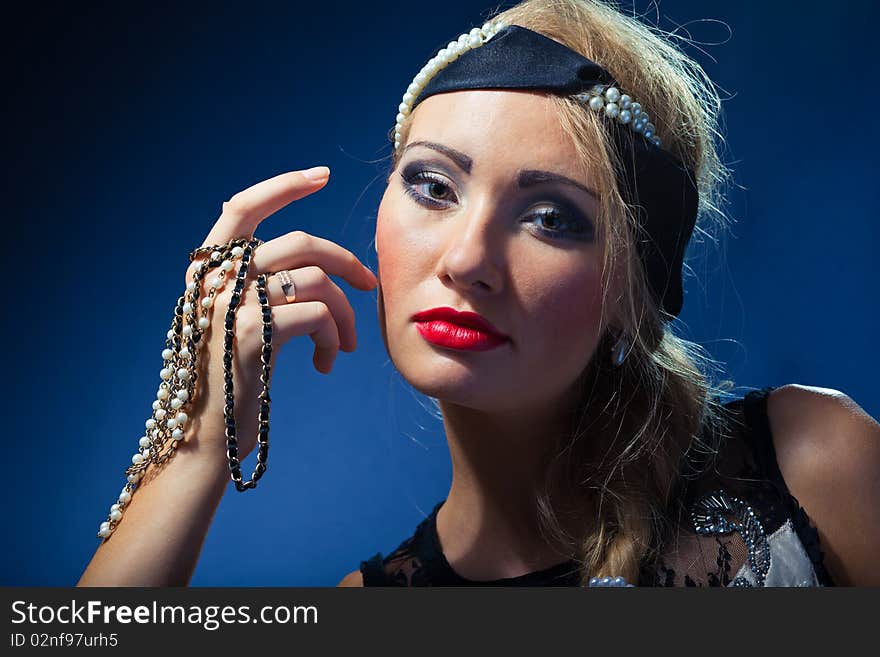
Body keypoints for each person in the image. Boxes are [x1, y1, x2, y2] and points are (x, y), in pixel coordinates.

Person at [77, 0, 880, 588]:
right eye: (432, 185)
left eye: (551, 217)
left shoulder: (810, 462)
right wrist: (198, 439)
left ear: (635, 291)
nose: (467, 259)